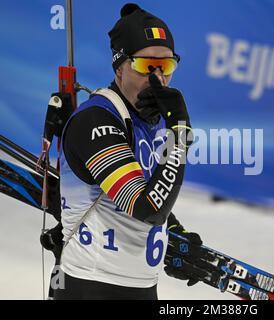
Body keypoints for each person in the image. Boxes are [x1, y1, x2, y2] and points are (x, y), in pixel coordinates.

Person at [43, 3, 202, 300]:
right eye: (146, 66)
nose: (158, 78)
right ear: (119, 67)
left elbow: (151, 191)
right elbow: (148, 208)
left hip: (141, 287)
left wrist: (173, 230)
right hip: (91, 286)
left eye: (166, 66)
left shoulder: (150, 118)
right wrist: (178, 136)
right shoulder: (97, 120)